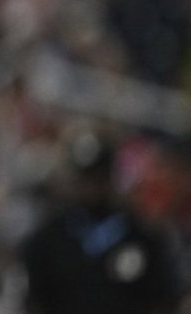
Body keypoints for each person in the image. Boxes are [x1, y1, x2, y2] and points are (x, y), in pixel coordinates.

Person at [19, 129, 182, 314]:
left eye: (98, 178)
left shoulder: (141, 237)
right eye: (84, 179)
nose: (91, 188)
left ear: (109, 179)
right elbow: (33, 300)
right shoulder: (49, 238)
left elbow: (164, 299)